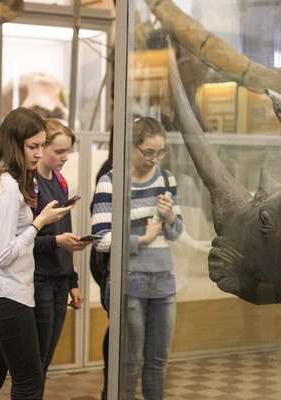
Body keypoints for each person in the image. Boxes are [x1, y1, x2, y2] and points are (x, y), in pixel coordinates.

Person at [0, 107, 75, 400]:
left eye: (40, 145)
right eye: (32, 147)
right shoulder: (7, 186)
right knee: (30, 381)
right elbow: (4, 255)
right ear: (14, 143)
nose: (38, 153)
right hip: (7, 292)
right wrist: (39, 223)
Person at [91, 117, 184, 400]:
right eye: (148, 152)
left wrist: (169, 217)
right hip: (130, 280)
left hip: (164, 278)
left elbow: (177, 232)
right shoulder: (110, 183)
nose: (154, 159)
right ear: (132, 147)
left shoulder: (167, 179)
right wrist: (141, 239)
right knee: (130, 363)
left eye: (160, 153)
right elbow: (101, 239)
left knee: (157, 363)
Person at [33, 119, 90, 381]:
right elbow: (22, 240)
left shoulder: (60, 181)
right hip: (38, 278)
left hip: (59, 277)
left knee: (45, 361)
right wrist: (57, 242)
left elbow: (62, 232)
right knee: (36, 363)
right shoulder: (29, 183)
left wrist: (72, 281)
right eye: (59, 151)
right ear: (40, 147)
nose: (65, 157)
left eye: (68, 151)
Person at [89, 126, 113, 400]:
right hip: (107, 262)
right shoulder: (108, 173)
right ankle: (111, 386)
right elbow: (102, 235)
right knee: (116, 324)